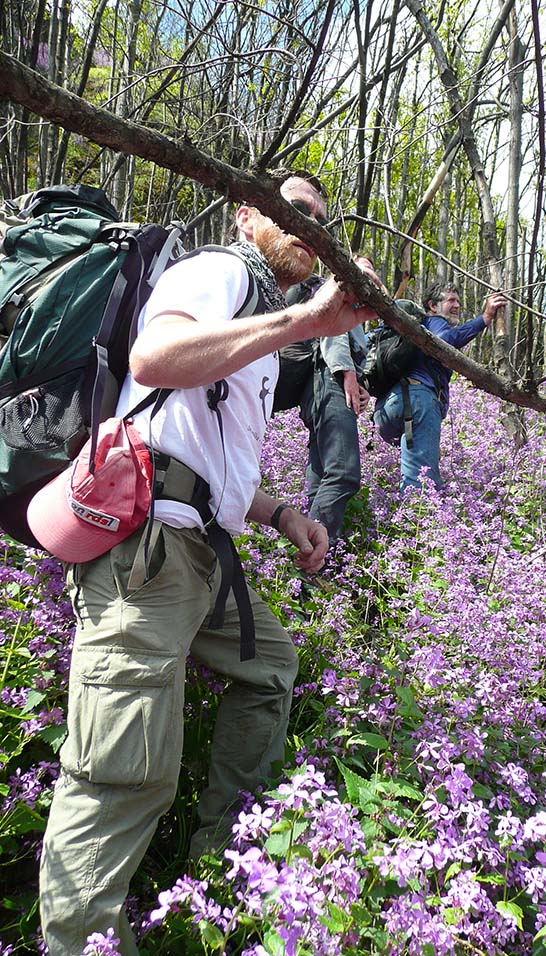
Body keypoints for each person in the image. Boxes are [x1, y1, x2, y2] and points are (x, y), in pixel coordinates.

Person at [37, 169, 380, 956]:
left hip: (200, 554)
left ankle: (223, 870)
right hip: (149, 557)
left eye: (320, 222)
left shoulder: (256, 323)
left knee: (271, 668)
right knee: (120, 775)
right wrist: (302, 324)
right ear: (245, 216)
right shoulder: (219, 271)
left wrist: (281, 511)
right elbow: (155, 360)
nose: (306, 229)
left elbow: (202, 454)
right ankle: (79, 943)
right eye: (292, 214)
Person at [374, 282, 507, 492]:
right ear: (433, 306)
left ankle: (407, 513)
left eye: (458, 301)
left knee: (413, 470)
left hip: (387, 408)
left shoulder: (412, 332)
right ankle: (418, 521)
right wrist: (485, 318)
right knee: (422, 480)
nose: (457, 305)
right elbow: (444, 341)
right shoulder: (434, 322)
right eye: (451, 300)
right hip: (418, 400)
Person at [293, 253, 377, 548]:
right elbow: (333, 335)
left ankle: (307, 563)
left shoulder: (353, 307)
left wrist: (358, 382)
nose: (367, 272)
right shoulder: (337, 294)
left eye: (370, 267)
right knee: (344, 473)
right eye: (361, 266)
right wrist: (347, 374)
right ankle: (318, 554)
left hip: (319, 388)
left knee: (321, 475)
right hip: (329, 381)